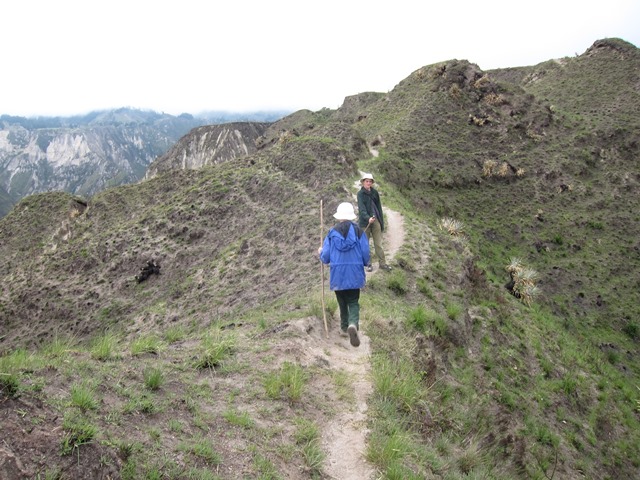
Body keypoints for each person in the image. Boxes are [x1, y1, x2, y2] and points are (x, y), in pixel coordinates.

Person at [318, 202, 370, 347]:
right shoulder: (359, 231)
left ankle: (343, 327)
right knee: (353, 301)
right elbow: (365, 252)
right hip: (354, 272)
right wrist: (366, 263)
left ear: (339, 217)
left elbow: (326, 257)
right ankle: (353, 323)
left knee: (342, 301)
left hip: (338, 274)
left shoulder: (331, 233)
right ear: (351, 216)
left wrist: (320, 253)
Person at [357, 172, 391, 272]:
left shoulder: (375, 193)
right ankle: (368, 264)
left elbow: (379, 208)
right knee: (365, 245)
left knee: (378, 243)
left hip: (375, 220)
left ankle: (382, 263)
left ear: (372, 183)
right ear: (363, 182)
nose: (368, 183)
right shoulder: (360, 194)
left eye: (370, 181)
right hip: (365, 223)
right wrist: (368, 218)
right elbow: (361, 209)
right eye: (366, 181)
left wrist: (381, 222)